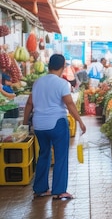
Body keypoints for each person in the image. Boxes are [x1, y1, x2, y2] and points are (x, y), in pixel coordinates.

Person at [24, 54, 86, 200]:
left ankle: (40, 189)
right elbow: (69, 104)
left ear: (49, 65)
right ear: (63, 66)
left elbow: (29, 103)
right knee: (61, 156)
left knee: (44, 154)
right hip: (57, 123)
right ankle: (59, 191)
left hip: (39, 125)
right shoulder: (62, 83)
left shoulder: (38, 82)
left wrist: (25, 123)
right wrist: (80, 121)